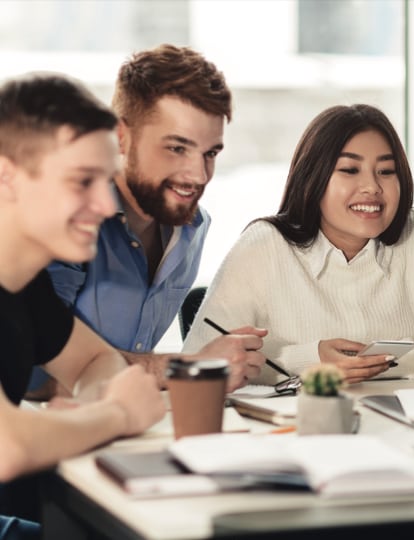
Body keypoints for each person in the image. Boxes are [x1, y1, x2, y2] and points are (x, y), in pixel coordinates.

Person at [182, 104, 414, 383]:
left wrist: (376, 366)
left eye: (386, 171)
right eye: (349, 170)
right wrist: (311, 361)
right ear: (314, 178)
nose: (372, 187)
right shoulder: (262, 246)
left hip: (402, 427)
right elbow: (201, 363)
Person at [44, 44, 265, 392]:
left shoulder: (193, 228)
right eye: (177, 148)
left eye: (210, 153)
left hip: (129, 420)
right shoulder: (64, 216)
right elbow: (39, 367)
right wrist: (185, 367)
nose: (198, 175)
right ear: (120, 137)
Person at [0, 73, 165, 538]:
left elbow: (95, 358)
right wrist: (116, 415)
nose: (103, 202)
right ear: (6, 175)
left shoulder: (24, 284)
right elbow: (7, 446)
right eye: (82, 181)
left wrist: (92, 402)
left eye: (107, 179)